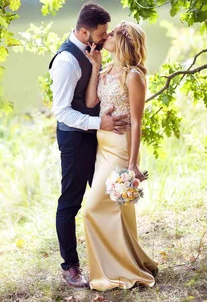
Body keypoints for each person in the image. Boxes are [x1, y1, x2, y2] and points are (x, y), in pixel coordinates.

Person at [49, 2, 129, 288]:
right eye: (102, 34)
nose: (106, 38)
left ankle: (114, 259)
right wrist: (100, 124)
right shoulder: (66, 62)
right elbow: (62, 111)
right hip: (74, 139)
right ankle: (70, 266)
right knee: (70, 202)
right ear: (84, 32)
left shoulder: (92, 54)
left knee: (102, 198)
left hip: (97, 137)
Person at [83, 20, 158, 291]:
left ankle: (119, 269)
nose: (106, 36)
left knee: (92, 208)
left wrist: (132, 163)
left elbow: (137, 122)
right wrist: (94, 66)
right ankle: (125, 265)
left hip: (120, 149)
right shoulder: (106, 70)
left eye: (111, 33)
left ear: (123, 40)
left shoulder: (134, 75)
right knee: (117, 210)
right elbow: (92, 102)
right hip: (103, 148)